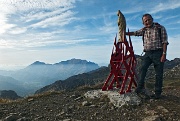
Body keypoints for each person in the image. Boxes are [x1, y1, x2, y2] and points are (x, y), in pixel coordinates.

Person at [127, 13, 169, 99]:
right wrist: (125, 33)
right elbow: (135, 33)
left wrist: (164, 54)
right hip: (147, 53)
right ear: (143, 23)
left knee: (158, 74)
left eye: (149, 20)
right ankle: (140, 87)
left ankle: (157, 93)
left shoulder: (160, 28)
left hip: (158, 53)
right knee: (143, 69)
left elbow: (165, 42)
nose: (147, 22)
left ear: (152, 19)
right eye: (145, 21)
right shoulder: (144, 30)